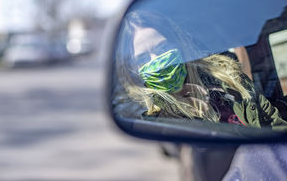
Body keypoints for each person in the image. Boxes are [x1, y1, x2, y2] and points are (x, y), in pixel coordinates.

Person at [116, 11, 287, 130]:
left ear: (179, 45)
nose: (158, 61)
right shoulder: (149, 119)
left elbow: (273, 123)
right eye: (143, 59)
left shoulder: (227, 77)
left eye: (162, 48)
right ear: (132, 69)